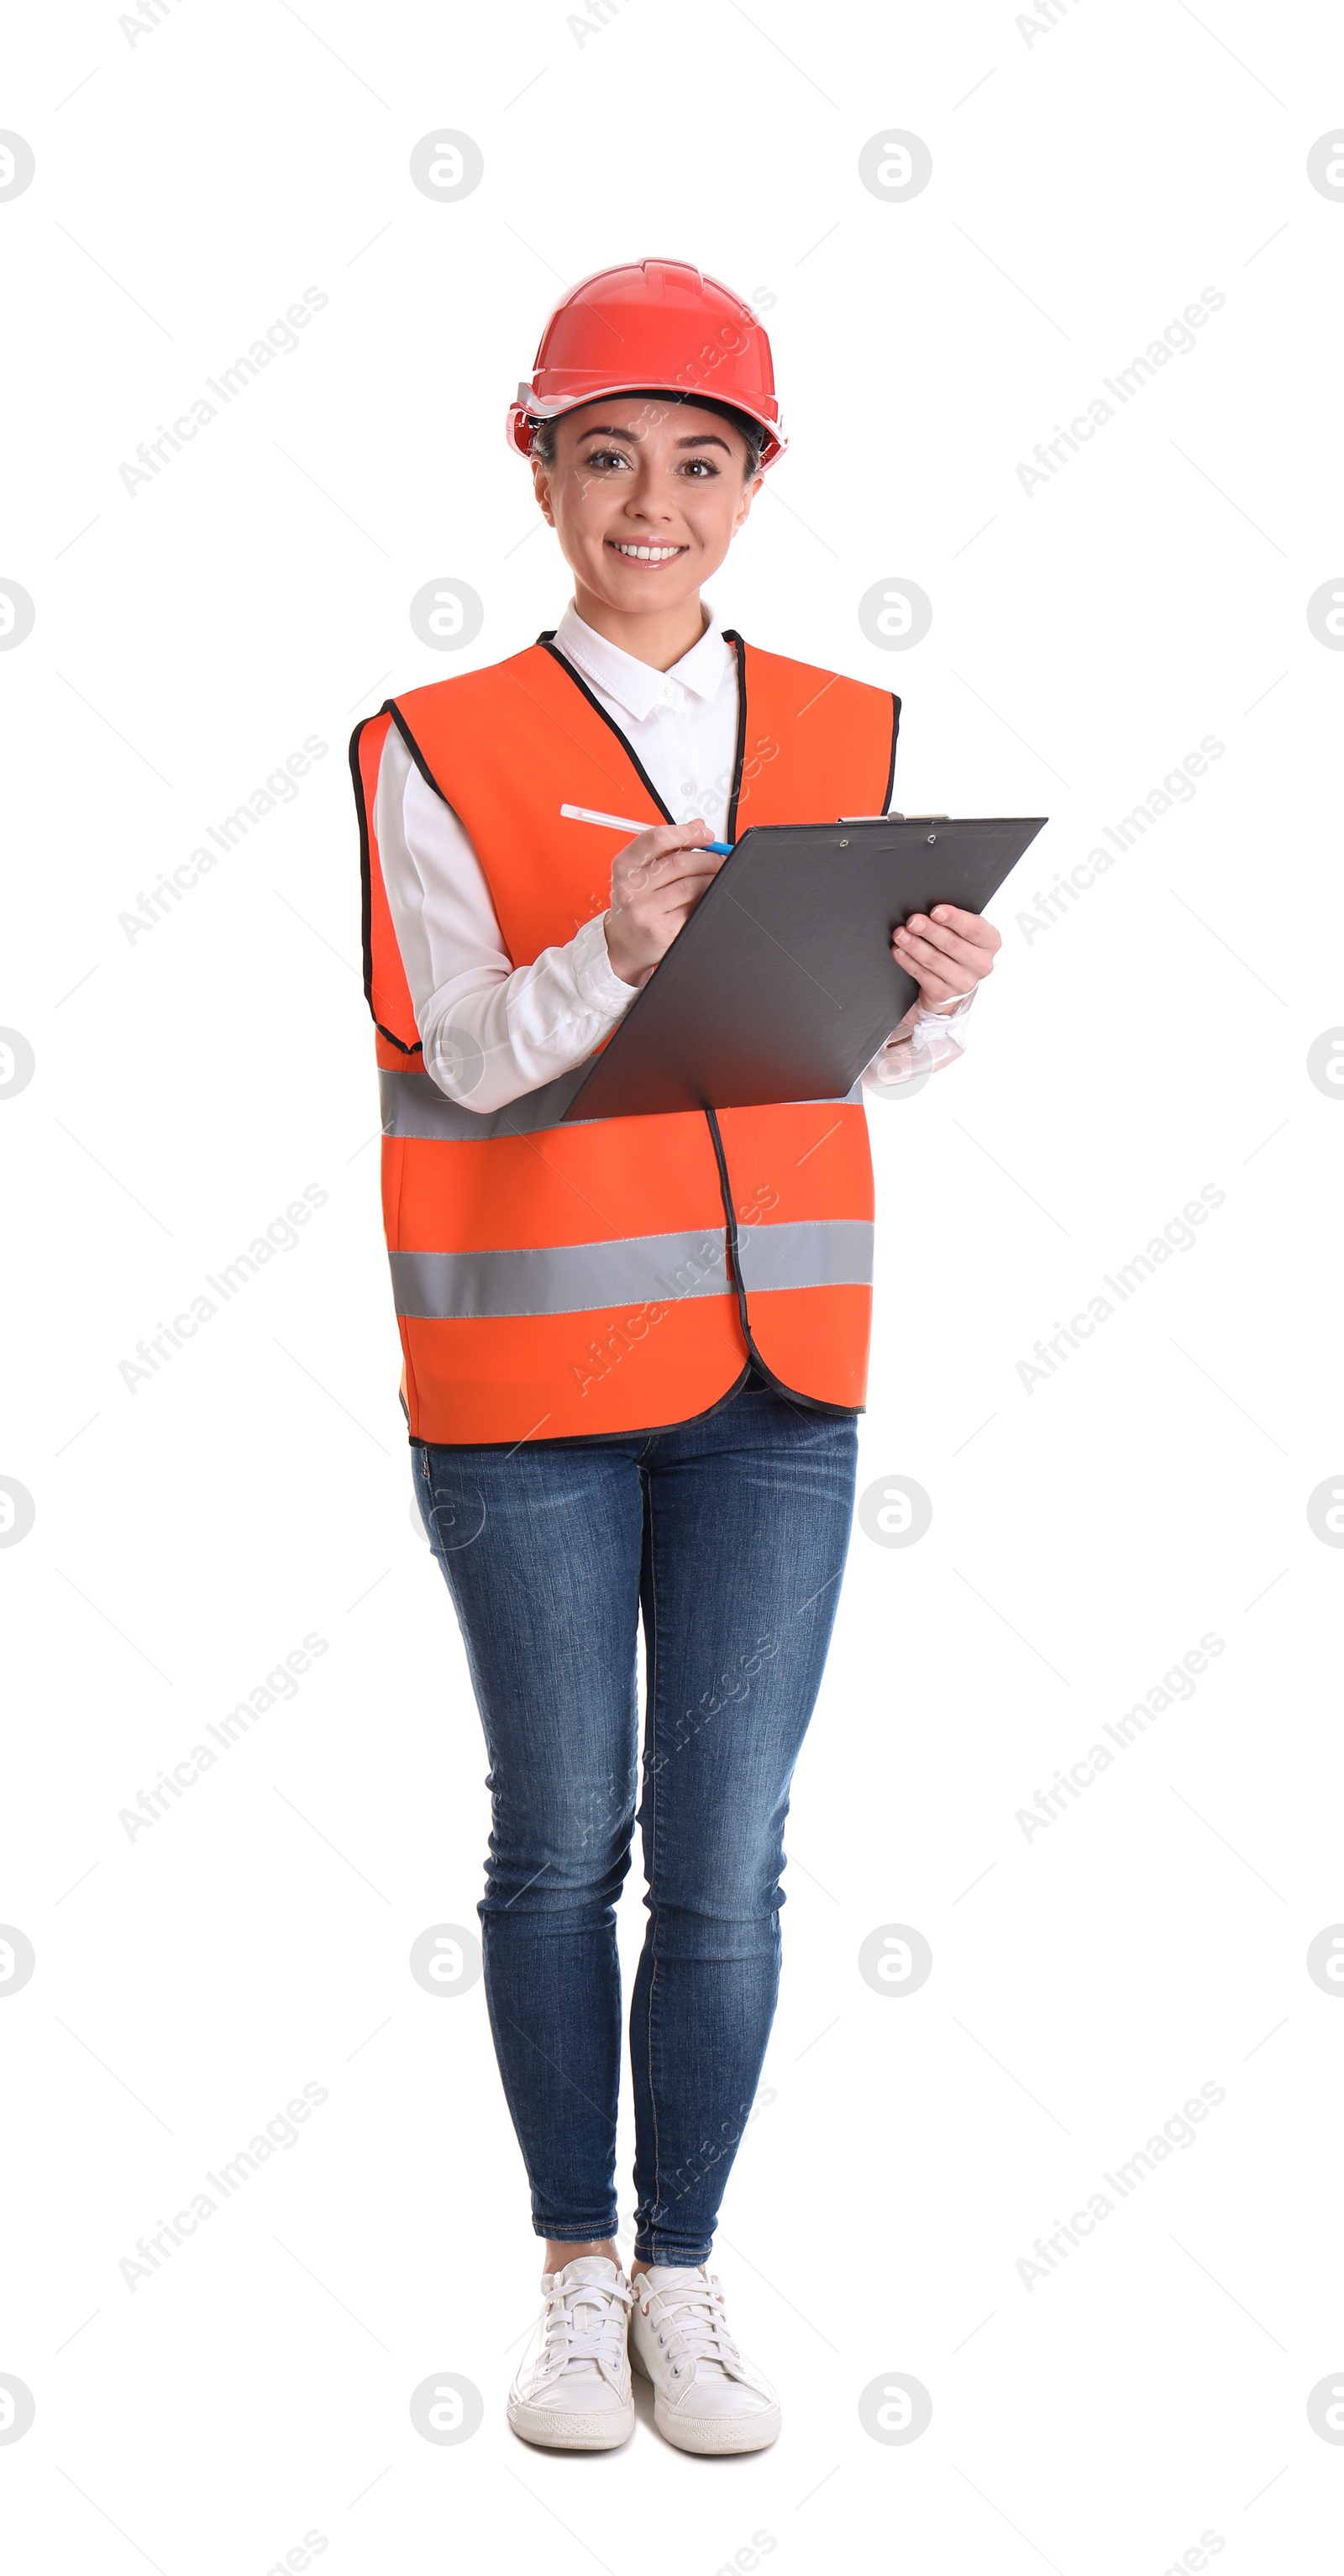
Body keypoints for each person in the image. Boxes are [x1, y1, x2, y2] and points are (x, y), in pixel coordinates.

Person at [349, 260, 1000, 2454]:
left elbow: (844, 1074)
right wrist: (601, 951)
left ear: (756, 485)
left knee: (732, 1850)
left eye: (699, 462)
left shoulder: (851, 729)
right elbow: (450, 1043)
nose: (655, 501)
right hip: (530, 1377)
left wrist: (927, 1000)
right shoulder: (428, 740)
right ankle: (573, 2276)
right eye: (607, 456)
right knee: (563, 1842)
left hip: (777, 1376)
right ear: (537, 469)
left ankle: (692, 2278)